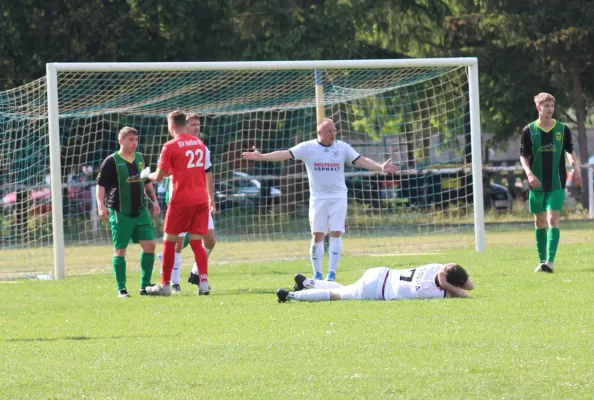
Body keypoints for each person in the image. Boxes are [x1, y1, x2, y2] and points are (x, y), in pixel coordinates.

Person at [242, 118, 399, 281]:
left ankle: (331, 274)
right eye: (328, 131)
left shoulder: (342, 147)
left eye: (334, 130)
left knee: (336, 233)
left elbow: (362, 160)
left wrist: (381, 167)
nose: (332, 133)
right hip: (318, 199)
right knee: (317, 235)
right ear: (319, 133)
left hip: (338, 197)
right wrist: (261, 156)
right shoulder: (307, 147)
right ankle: (317, 274)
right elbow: (284, 154)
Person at [141, 110, 211, 296]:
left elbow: (159, 176)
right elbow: (189, 169)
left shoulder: (170, 146)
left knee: (169, 242)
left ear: (171, 126)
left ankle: (164, 285)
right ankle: (203, 284)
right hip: (201, 199)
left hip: (182, 199)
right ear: (184, 123)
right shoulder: (199, 143)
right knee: (197, 242)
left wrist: (146, 174)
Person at [520, 93, 582, 273]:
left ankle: (550, 262)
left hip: (557, 183)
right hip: (536, 184)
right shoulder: (528, 130)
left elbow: (570, 151)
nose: (550, 109)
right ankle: (541, 261)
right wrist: (529, 174)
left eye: (552, 106)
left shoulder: (563, 129)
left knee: (552, 219)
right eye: (546, 105)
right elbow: (523, 156)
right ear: (538, 107)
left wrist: (575, 168)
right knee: (539, 222)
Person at [96, 127, 161, 298]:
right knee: (120, 250)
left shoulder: (140, 158)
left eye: (136, 139)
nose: (134, 142)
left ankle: (145, 286)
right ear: (121, 141)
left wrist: (154, 201)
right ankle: (122, 288)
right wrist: (101, 206)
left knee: (150, 245)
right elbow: (101, 185)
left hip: (140, 211)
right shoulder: (112, 161)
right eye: (130, 139)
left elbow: (146, 182)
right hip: (120, 212)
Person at [157, 113, 217, 293]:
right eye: (193, 124)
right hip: (186, 198)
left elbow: (207, 173)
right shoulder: (187, 146)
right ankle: (175, 283)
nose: (197, 128)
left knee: (207, 240)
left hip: (192, 200)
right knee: (184, 241)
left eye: (198, 124)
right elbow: (169, 172)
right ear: (185, 126)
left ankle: (174, 281)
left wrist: (211, 198)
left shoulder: (200, 146)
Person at [276, 263, 474, 302]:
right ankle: (291, 295)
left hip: (380, 272)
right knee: (337, 295)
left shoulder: (436, 266)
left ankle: (306, 282)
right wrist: (446, 285)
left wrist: (445, 274)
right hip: (377, 289)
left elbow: (466, 284)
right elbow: (466, 292)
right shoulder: (433, 291)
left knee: (347, 288)